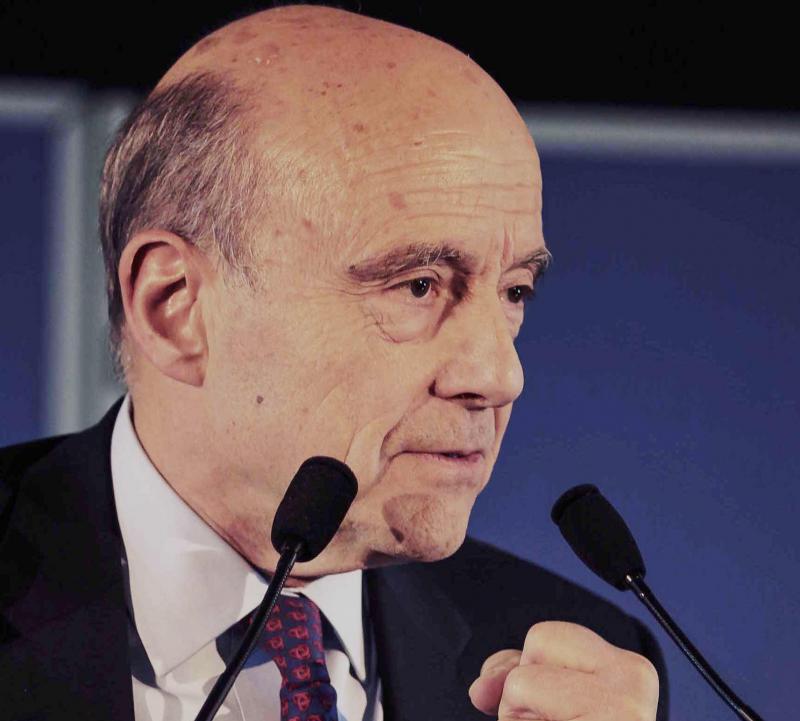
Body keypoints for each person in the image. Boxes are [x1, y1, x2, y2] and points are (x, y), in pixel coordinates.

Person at [0, 5, 668, 721]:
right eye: (418, 285)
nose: (500, 376)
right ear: (176, 307)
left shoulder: (571, 670)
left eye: (514, 292)